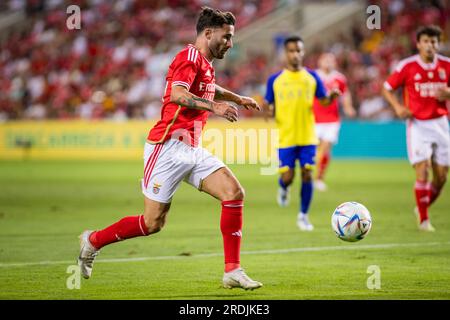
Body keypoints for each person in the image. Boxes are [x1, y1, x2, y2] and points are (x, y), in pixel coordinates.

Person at [78, 7, 263, 290]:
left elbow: (210, 88)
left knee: (234, 193)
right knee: (152, 223)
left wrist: (237, 98)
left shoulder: (205, 63)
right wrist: (216, 107)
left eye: (231, 38)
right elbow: (178, 94)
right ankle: (92, 241)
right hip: (166, 147)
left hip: (191, 147)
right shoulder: (187, 58)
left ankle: (232, 271)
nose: (230, 43)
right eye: (226, 37)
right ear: (208, 33)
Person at [262, 36, 340, 231]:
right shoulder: (275, 80)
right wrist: (267, 111)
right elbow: (267, 105)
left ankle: (303, 215)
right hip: (286, 137)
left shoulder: (312, 77)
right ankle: (283, 187)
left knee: (307, 174)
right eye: (291, 51)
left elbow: (322, 100)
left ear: (303, 53)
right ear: (285, 53)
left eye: (298, 50)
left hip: (307, 136)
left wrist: (330, 97)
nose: (295, 54)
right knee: (288, 177)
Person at [382, 25, 450, 232]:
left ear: (438, 44)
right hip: (417, 125)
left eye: (434, 41)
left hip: (440, 124)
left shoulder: (447, 65)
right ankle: (424, 220)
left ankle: (422, 206)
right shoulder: (407, 66)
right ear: (418, 44)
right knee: (423, 171)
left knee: (441, 178)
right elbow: (386, 88)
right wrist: (398, 107)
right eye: (426, 41)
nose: (430, 45)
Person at [313, 53, 356, 191]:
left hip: (332, 119)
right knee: (315, 149)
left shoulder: (339, 78)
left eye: (331, 60)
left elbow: (345, 93)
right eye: (325, 60)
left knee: (326, 147)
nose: (328, 63)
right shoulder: (314, 76)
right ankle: (312, 175)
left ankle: (319, 178)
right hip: (314, 118)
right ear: (320, 62)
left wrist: (348, 107)